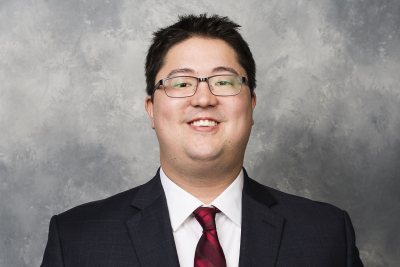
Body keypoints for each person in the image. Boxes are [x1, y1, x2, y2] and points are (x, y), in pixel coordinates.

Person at [41, 14, 363, 267]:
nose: (204, 98)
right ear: (151, 110)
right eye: (182, 83)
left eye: (224, 81)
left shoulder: (327, 235)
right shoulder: (76, 239)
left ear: (251, 105)